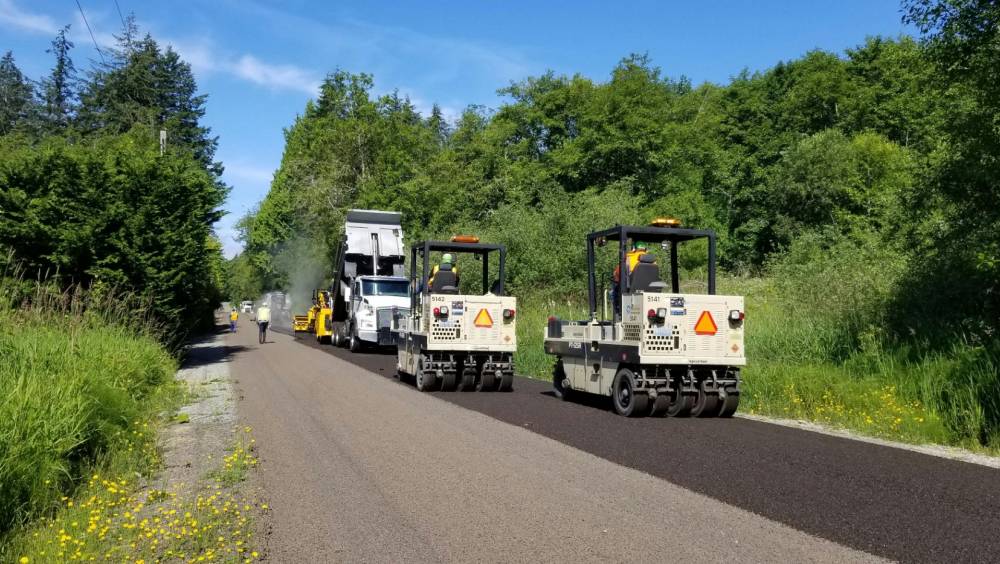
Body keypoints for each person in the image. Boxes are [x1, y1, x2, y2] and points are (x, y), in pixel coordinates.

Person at [611, 241, 650, 314]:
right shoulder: (652, 260)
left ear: (634, 248)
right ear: (645, 249)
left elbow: (617, 271)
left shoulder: (629, 257)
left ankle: (618, 312)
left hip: (633, 287)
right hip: (649, 288)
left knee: (614, 291)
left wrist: (615, 274)